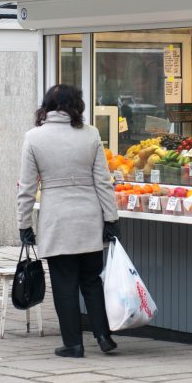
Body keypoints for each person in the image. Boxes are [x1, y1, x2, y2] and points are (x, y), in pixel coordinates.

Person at [16, 84, 120, 358]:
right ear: (77, 105)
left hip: (57, 220)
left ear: (47, 106)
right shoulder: (91, 134)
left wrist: (24, 224)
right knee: (92, 281)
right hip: (89, 217)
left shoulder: (34, 138)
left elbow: (26, 187)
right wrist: (111, 218)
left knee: (64, 285)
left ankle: (73, 343)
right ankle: (103, 335)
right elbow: (103, 182)